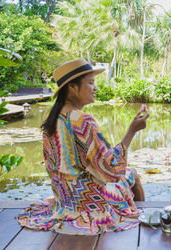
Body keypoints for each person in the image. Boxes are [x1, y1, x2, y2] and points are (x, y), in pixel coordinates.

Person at [16, 59, 149, 234]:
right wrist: (132, 130)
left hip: (65, 202)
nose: (95, 88)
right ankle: (144, 217)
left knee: (123, 176)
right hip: (90, 205)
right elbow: (111, 169)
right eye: (91, 83)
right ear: (72, 87)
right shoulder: (82, 121)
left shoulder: (52, 120)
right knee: (133, 175)